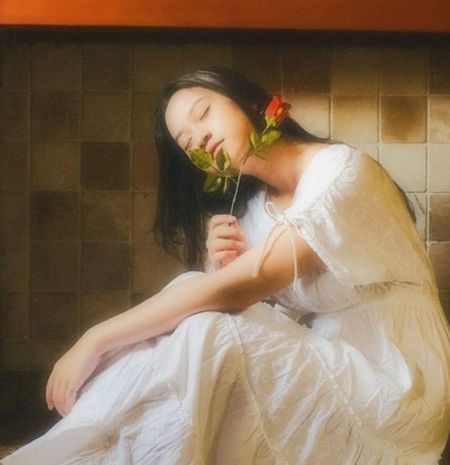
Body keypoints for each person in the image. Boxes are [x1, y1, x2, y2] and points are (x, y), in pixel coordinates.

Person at [2, 66, 450, 465]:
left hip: (398, 379)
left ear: (253, 103)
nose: (198, 137)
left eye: (203, 113)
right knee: (193, 300)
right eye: (186, 142)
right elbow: (232, 308)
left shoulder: (340, 172)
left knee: (207, 325)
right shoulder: (253, 214)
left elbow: (236, 295)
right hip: (333, 364)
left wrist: (95, 338)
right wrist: (220, 265)